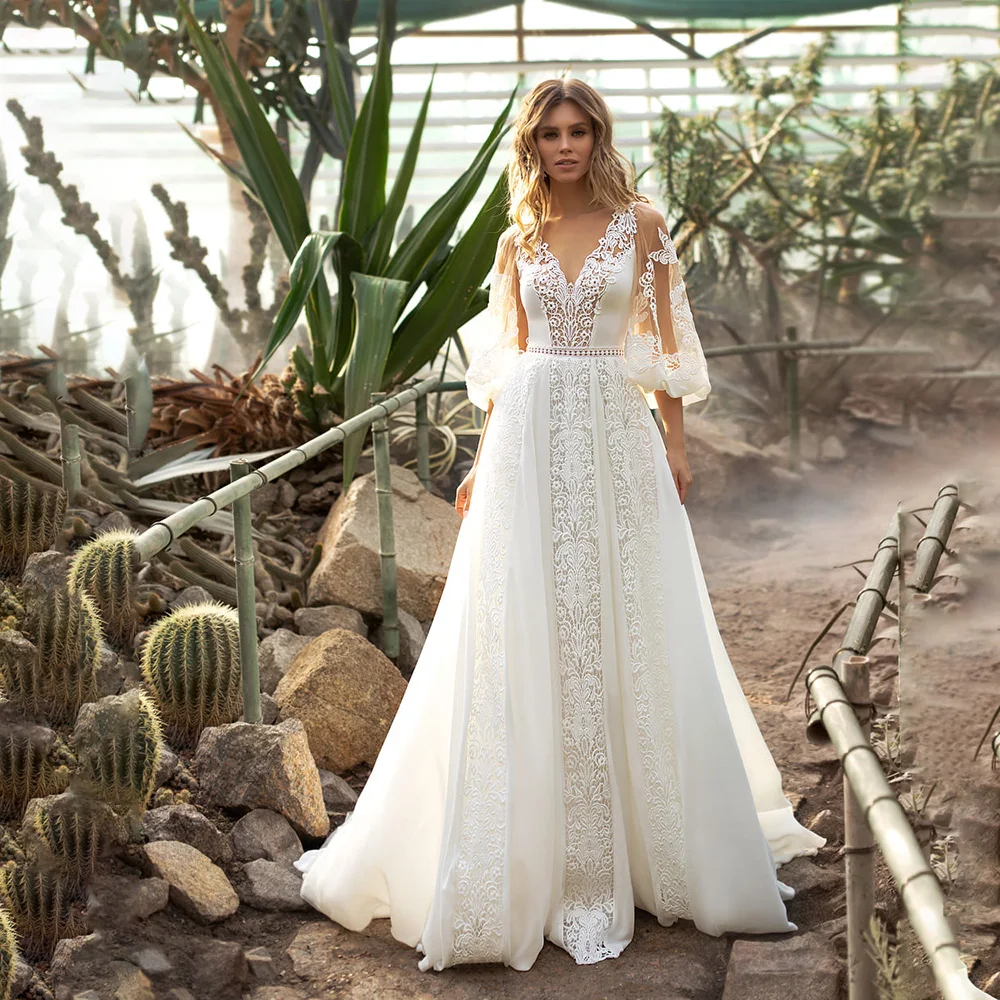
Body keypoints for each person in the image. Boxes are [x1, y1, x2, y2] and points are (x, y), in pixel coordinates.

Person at [294, 77, 825, 973]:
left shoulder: (644, 226)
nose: (567, 145)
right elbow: (511, 361)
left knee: (630, 624)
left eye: (580, 131)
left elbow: (661, 347)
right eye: (551, 133)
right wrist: (478, 464)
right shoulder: (517, 240)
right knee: (526, 629)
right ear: (533, 145)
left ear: (598, 137)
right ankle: (527, 855)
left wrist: (677, 442)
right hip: (528, 443)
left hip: (617, 438)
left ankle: (647, 845)